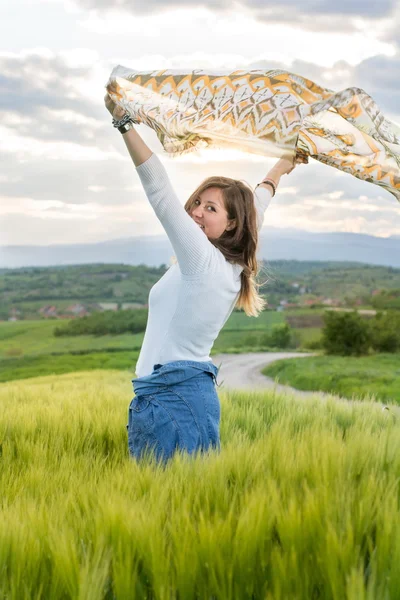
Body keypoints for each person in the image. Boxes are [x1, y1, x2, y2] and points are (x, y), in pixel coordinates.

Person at [104, 90, 302, 466]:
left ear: (231, 224)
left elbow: (160, 191)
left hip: (168, 398)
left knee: (162, 508)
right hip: (187, 394)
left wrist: (123, 123)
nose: (195, 211)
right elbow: (258, 204)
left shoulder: (202, 260)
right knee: (185, 509)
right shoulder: (232, 265)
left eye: (210, 208)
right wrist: (280, 167)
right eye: (196, 201)